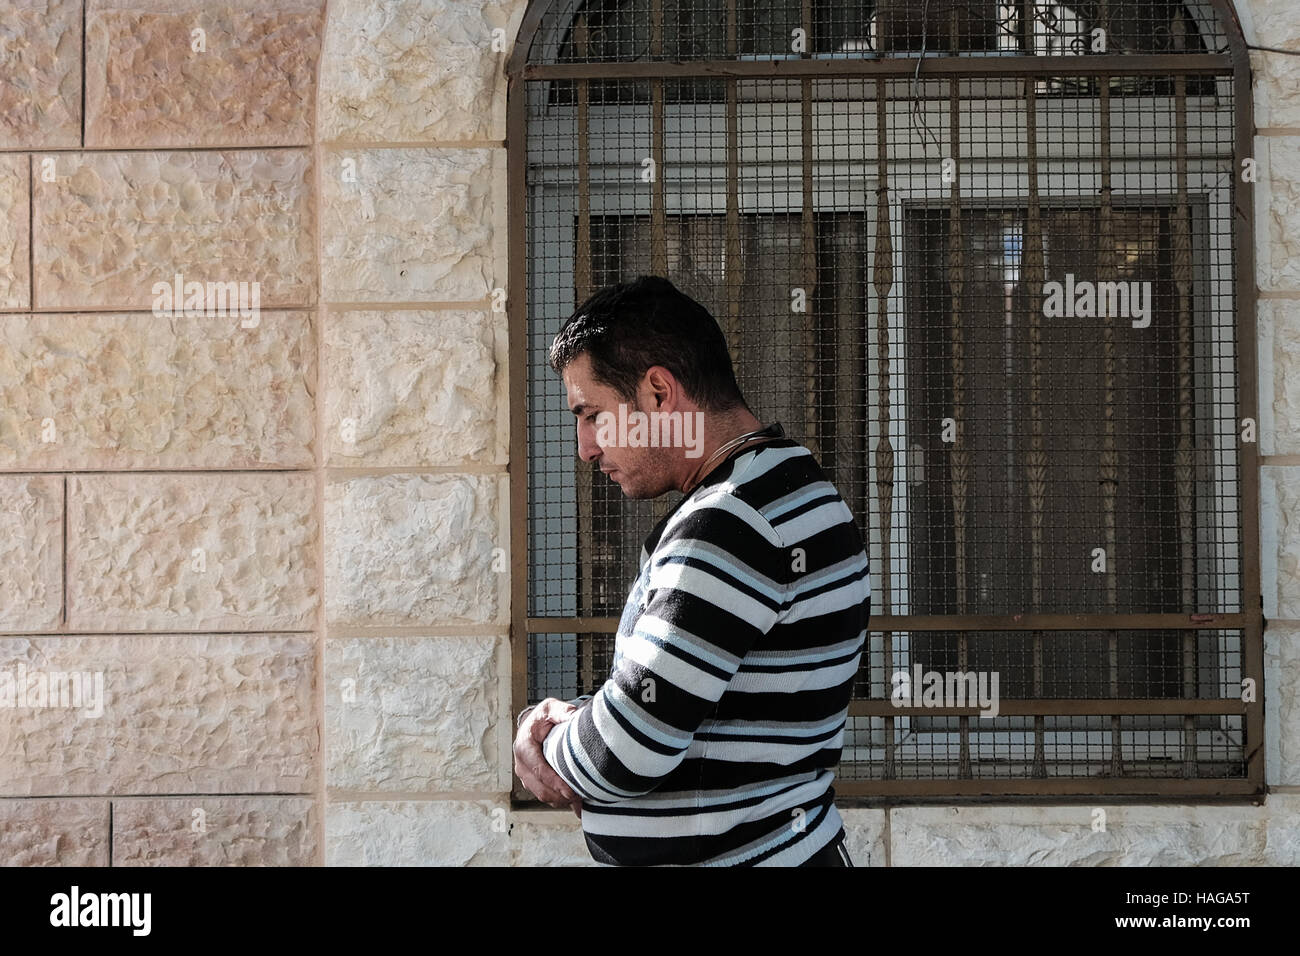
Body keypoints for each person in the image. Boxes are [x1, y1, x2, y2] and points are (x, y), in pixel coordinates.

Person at [513, 275, 870, 866]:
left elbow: (623, 753)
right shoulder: (792, 487)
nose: (585, 448)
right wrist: (589, 717)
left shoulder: (728, 524)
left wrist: (543, 738)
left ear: (657, 393)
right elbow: (679, 700)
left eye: (592, 414)